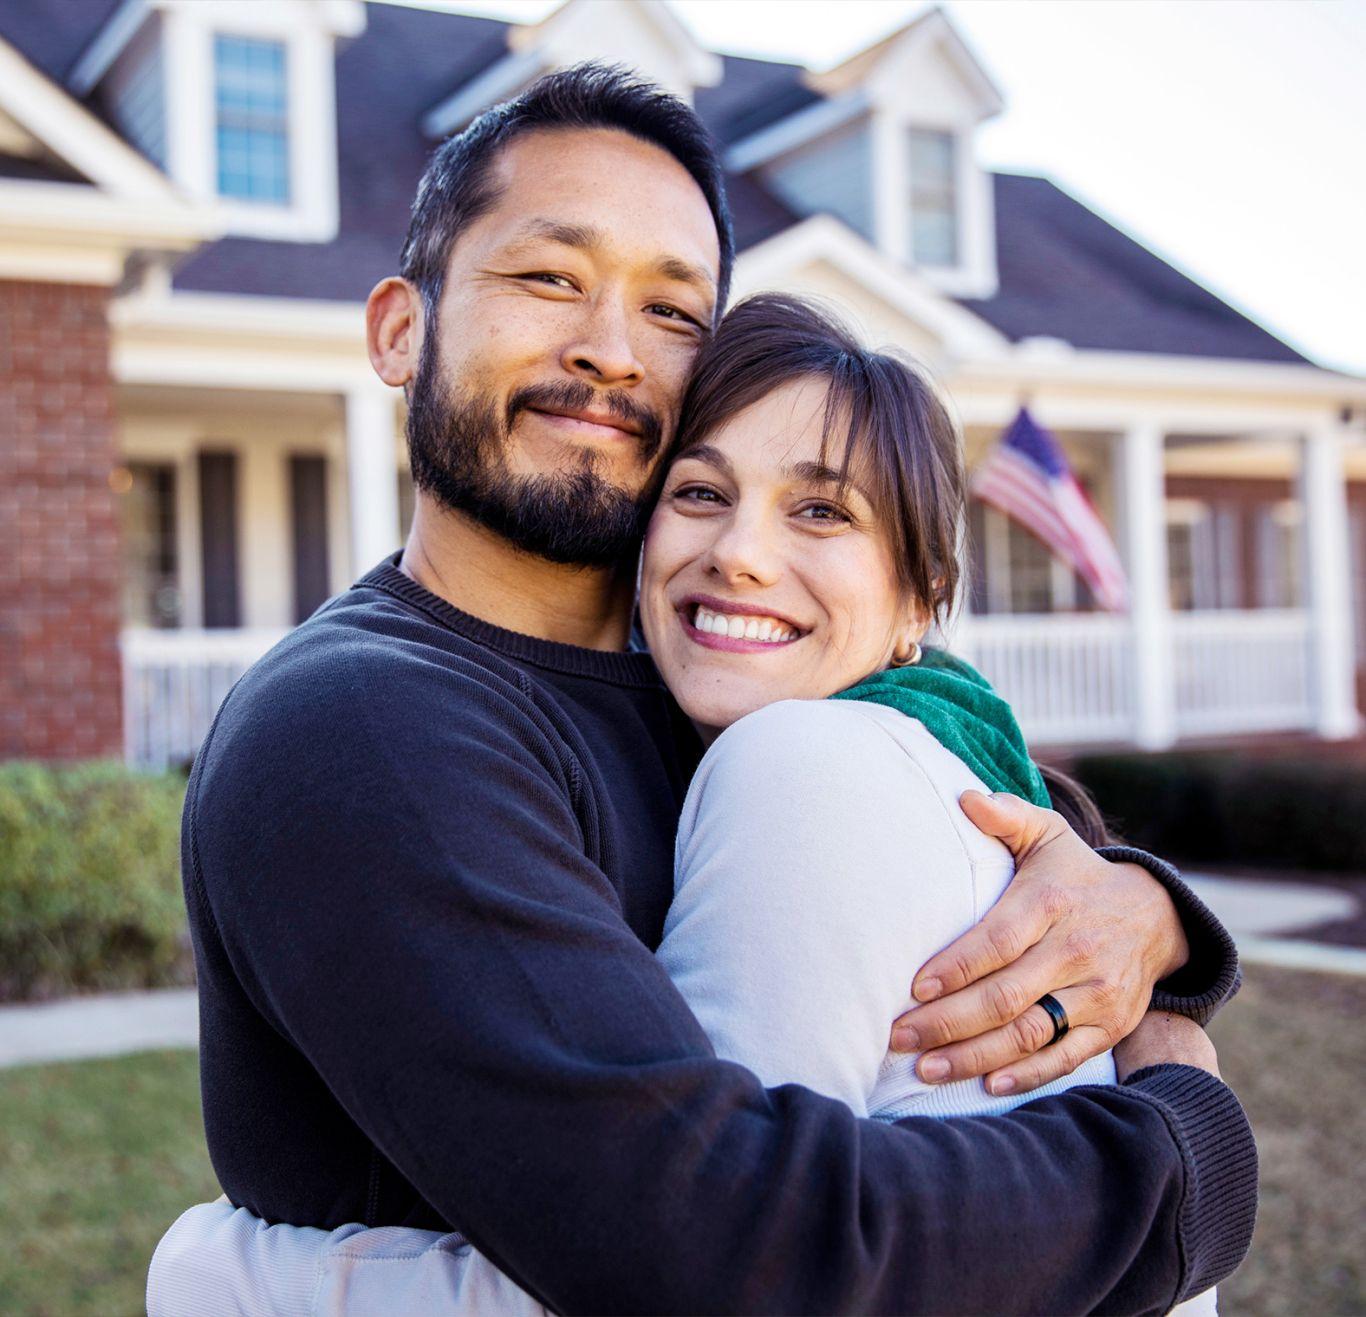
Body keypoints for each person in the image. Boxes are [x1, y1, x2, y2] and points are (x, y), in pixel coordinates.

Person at [149, 65, 1252, 1315]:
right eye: (549, 276)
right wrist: (1183, 1152)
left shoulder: (724, 674)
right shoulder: (363, 729)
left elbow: (1035, 835)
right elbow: (722, 1255)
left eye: (673, 312)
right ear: (401, 328)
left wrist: (1156, 927)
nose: (608, 350)